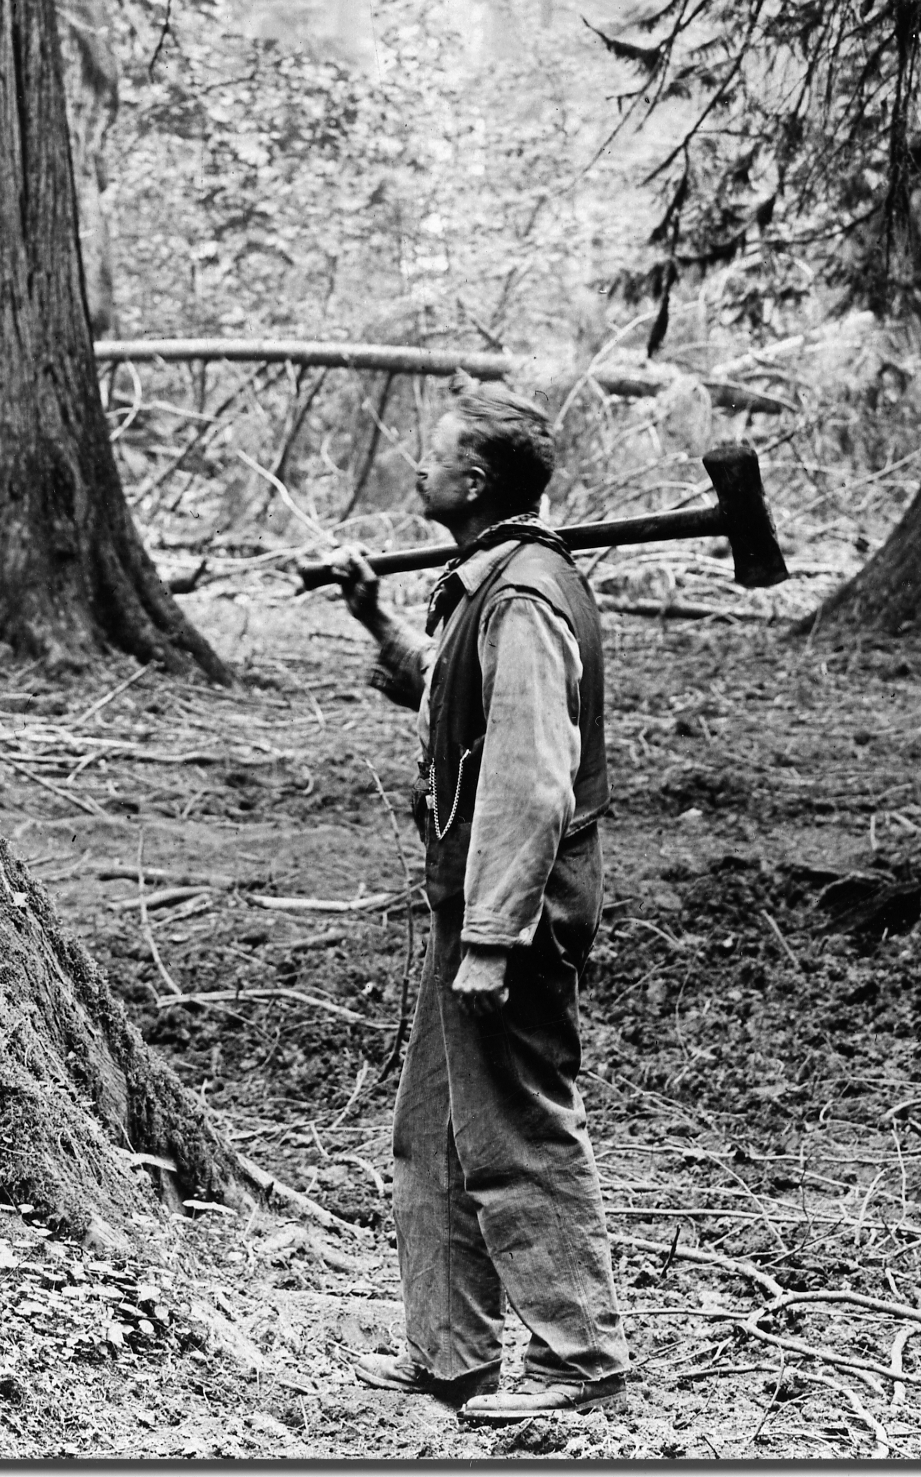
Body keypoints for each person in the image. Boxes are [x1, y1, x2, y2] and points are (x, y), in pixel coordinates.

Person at [333, 390, 628, 1421]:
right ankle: (451, 1352)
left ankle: (578, 1360)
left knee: (514, 1130)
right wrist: (374, 615)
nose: (418, 464)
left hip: (511, 912)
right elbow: (448, 695)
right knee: (436, 1131)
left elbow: (530, 778)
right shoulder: (486, 586)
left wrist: (496, 937)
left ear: (475, 482)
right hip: (472, 904)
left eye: (436, 452)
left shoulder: (523, 598)